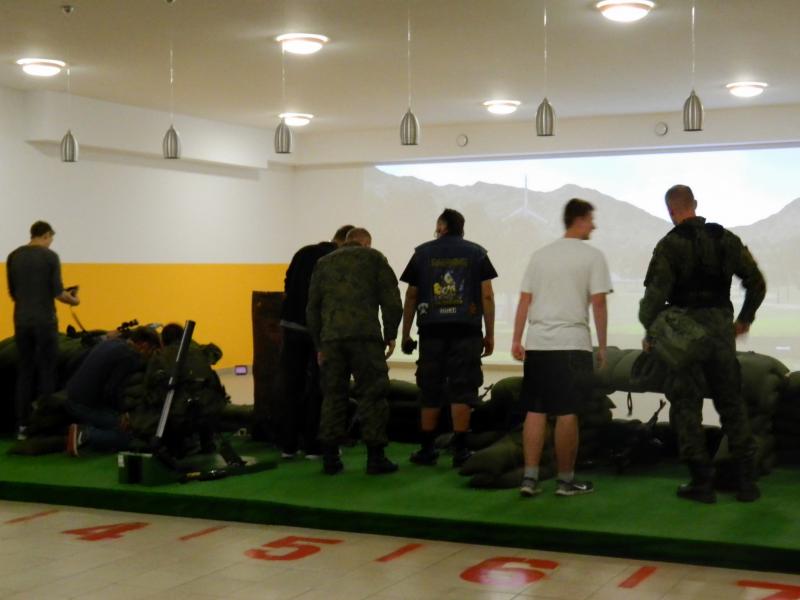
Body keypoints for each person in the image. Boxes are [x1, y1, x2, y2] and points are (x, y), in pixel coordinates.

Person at [639, 184, 766, 503]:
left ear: (671, 211)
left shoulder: (668, 245)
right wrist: (744, 319)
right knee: (732, 403)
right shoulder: (726, 239)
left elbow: (653, 299)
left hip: (683, 338)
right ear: (695, 204)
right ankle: (746, 482)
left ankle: (701, 482)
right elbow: (757, 283)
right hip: (722, 333)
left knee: (686, 406)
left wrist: (651, 331)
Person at [511, 199, 612, 497]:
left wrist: (516, 339)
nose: (594, 225)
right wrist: (602, 345)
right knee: (567, 412)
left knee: (535, 410)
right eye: (591, 219)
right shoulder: (593, 256)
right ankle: (565, 481)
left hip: (538, 343)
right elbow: (599, 303)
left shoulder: (540, 256)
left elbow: (525, 300)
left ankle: (529, 479)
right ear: (579, 220)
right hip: (571, 344)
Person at [400, 208, 497, 467]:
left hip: (431, 331)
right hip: (466, 331)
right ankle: (461, 450)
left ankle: (427, 449)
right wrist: (489, 333)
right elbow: (487, 295)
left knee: (430, 388)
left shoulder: (421, 253)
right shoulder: (477, 253)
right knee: (463, 389)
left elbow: (411, 295)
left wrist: (405, 333)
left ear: (441, 226)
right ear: (461, 227)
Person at [306, 227, 403, 475]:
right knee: (372, 395)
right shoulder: (374, 258)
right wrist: (390, 333)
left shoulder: (323, 263)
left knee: (333, 396)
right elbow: (391, 299)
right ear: (366, 243)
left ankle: (330, 458)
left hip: (331, 340)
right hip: (365, 339)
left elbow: (312, 308)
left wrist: (319, 344)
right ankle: (375, 457)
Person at [278, 225, 354, 460]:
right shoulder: (336, 260)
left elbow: (287, 286)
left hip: (290, 326)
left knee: (291, 386)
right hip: (319, 331)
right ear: (344, 242)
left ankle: (288, 446)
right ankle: (313, 445)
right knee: (319, 388)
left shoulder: (302, 253)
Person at [6, 221, 80, 440]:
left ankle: (22, 426)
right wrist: (74, 300)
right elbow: (58, 292)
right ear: (46, 235)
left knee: (25, 371)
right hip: (45, 322)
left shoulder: (13, 256)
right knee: (47, 371)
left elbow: (13, 293)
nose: (50, 243)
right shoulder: (50, 257)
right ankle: (45, 424)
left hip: (21, 321)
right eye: (51, 239)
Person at [65, 326, 161, 456]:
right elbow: (111, 390)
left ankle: (86, 431)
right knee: (128, 435)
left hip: (72, 397)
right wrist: (122, 414)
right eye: (153, 351)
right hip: (83, 405)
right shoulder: (130, 357)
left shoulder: (112, 342)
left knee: (112, 421)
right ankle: (85, 435)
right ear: (144, 345)